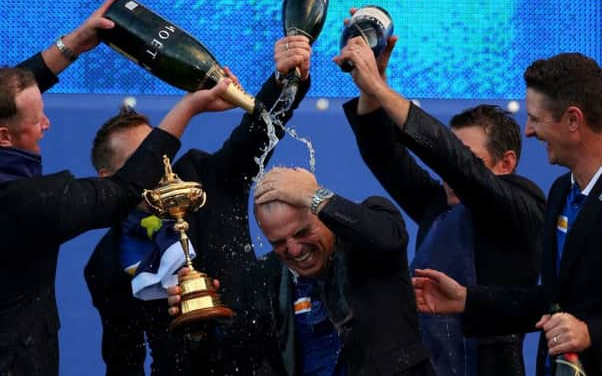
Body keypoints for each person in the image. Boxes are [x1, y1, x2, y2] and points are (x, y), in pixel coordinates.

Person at [0, 0, 243, 376]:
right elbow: (127, 190)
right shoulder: (26, 203)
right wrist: (189, 106)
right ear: (4, 137)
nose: (46, 125)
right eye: (36, 120)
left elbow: (11, 97)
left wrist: (72, 44)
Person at [84, 36, 313, 375]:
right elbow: (123, 356)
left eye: (159, 153)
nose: (157, 168)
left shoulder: (202, 179)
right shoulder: (106, 261)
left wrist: (286, 80)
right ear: (108, 178)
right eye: (140, 161)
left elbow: (254, 135)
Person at [338, 28, 545, 375]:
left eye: (470, 157)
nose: (450, 173)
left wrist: (381, 89)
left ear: (506, 163)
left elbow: (455, 165)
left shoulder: (523, 206)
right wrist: (370, 85)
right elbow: (382, 153)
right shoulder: (438, 206)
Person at [412, 53, 602, 376]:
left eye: (536, 119)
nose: (528, 131)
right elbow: (547, 301)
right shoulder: (561, 193)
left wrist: (592, 333)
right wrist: (465, 300)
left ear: (573, 120)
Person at [169, 166, 434, 375]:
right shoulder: (263, 279)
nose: (294, 250)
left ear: (320, 212)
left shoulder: (369, 237)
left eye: (302, 232)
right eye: (279, 243)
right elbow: (234, 360)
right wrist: (198, 327)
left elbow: (388, 238)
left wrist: (313, 195)